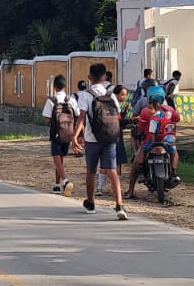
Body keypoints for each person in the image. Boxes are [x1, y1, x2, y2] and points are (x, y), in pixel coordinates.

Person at [74, 63, 127, 220]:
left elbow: (82, 118)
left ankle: (90, 202)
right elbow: (117, 117)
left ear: (90, 77)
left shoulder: (85, 95)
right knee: (111, 170)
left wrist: (75, 137)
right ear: (105, 77)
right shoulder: (111, 95)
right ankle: (119, 205)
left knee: (91, 170)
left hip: (92, 138)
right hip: (110, 137)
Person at [128, 86, 177, 194]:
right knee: (174, 151)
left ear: (149, 98)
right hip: (167, 142)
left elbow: (140, 130)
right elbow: (177, 119)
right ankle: (174, 172)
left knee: (135, 166)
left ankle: (130, 191)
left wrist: (140, 133)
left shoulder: (146, 111)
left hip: (150, 141)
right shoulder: (170, 110)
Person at [41, 73, 79, 196]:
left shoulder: (51, 101)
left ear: (54, 86)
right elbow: (77, 114)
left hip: (56, 133)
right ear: (65, 86)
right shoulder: (71, 100)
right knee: (61, 159)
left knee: (57, 159)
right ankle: (57, 185)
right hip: (68, 132)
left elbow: (47, 118)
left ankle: (66, 181)